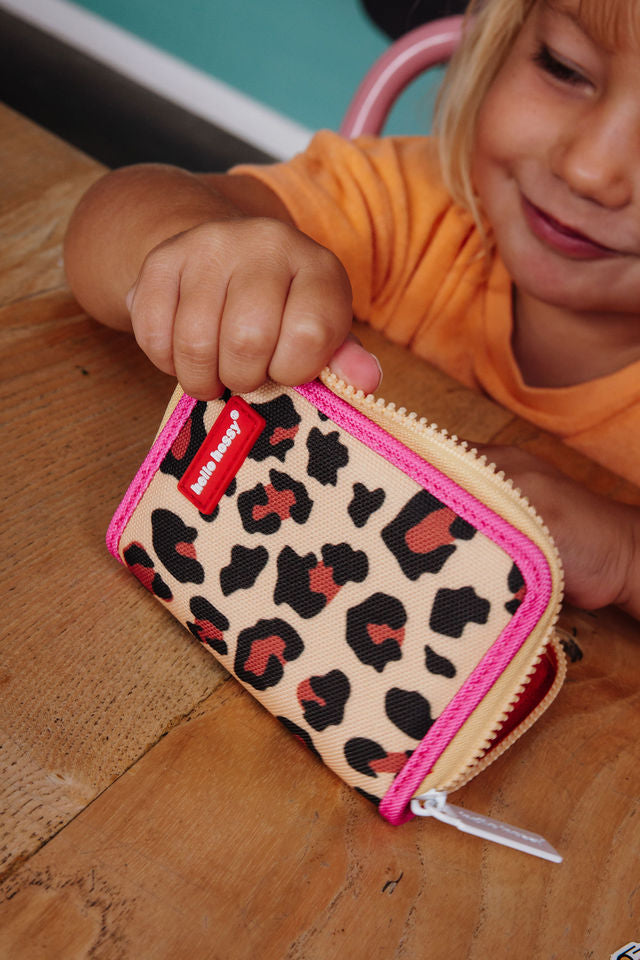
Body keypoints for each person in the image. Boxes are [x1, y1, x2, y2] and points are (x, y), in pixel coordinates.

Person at [64, 0, 640, 621]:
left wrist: (628, 555)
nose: (589, 170)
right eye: (562, 67)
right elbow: (111, 217)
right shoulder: (413, 206)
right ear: (499, 44)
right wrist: (201, 253)